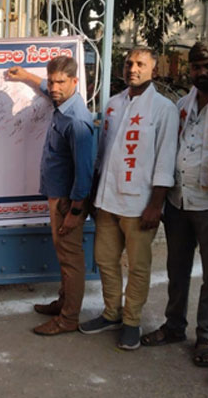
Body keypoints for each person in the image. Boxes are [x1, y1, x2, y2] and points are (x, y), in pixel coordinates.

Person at [140, 41, 208, 367]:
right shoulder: (182, 104)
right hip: (179, 201)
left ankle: (205, 335)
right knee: (177, 269)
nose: (202, 72)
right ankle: (174, 326)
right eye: (196, 67)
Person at [80, 46, 178, 350]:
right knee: (105, 260)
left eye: (140, 64)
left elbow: (165, 159)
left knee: (138, 266)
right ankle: (112, 313)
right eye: (128, 63)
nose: (132, 69)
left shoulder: (164, 109)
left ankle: (132, 321)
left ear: (154, 70)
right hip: (107, 200)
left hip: (139, 204)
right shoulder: (113, 104)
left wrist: (156, 205)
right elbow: (103, 153)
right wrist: (94, 194)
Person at [6, 55, 94, 335]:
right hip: (58, 197)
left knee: (70, 259)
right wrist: (27, 77)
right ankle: (63, 303)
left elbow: (84, 172)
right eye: (52, 81)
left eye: (60, 82)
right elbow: (47, 87)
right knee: (64, 255)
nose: (54, 88)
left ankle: (68, 319)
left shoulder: (76, 120)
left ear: (75, 81)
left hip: (68, 202)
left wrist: (75, 211)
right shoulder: (62, 103)